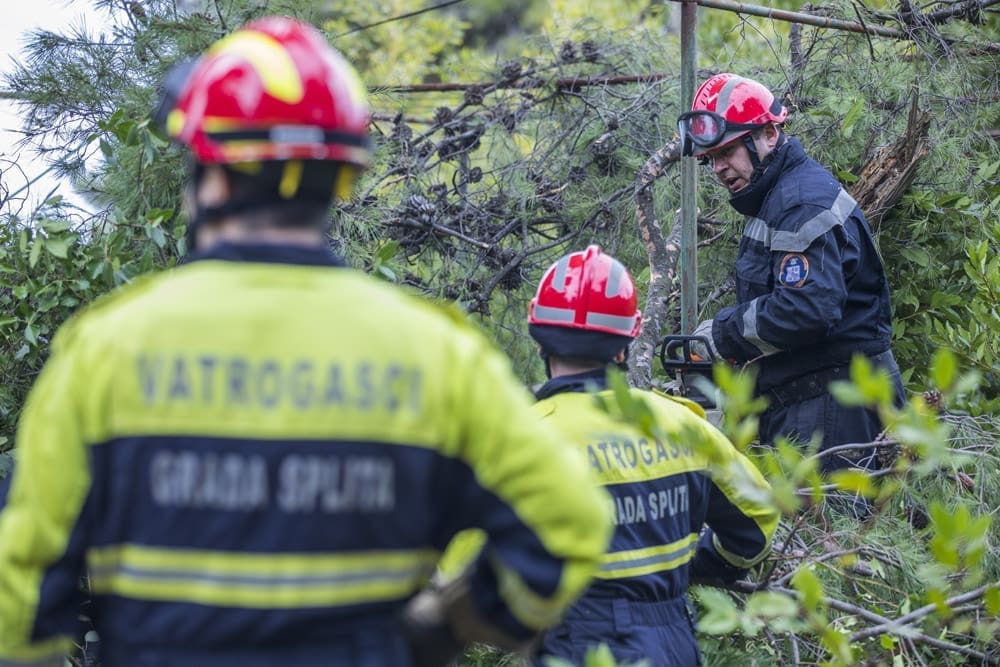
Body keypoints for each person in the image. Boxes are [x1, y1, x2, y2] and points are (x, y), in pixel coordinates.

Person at [0, 17, 613, 667]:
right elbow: (568, 524)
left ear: (212, 177)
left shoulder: (106, 348)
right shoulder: (435, 353)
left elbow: (21, 594)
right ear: (340, 178)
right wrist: (444, 627)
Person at [526, 245, 779, 666]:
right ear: (627, 339)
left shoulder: (520, 441)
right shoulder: (682, 427)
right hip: (670, 639)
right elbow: (759, 521)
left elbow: (463, 570)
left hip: (570, 643)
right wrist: (698, 566)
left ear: (539, 336)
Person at [677, 73, 904, 477]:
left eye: (727, 151)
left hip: (836, 414)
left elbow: (805, 309)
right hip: (812, 406)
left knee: (832, 519)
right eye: (710, 158)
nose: (718, 168)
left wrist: (721, 335)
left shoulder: (799, 202)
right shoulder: (773, 198)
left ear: (768, 133)